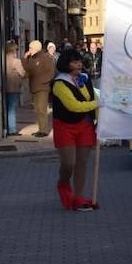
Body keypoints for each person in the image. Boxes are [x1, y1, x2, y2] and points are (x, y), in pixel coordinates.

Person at [52, 48, 99, 212]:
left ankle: (78, 197)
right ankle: (63, 183)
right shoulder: (59, 84)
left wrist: (101, 118)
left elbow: (93, 98)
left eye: (79, 61)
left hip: (85, 125)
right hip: (65, 125)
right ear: (66, 64)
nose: (78, 64)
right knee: (69, 163)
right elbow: (73, 106)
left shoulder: (84, 79)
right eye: (74, 61)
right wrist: (97, 104)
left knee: (81, 163)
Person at [22, 39, 56, 137]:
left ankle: (44, 131)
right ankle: (41, 128)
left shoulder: (45, 58)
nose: (30, 50)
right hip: (34, 87)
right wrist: (25, 58)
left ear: (36, 48)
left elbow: (51, 72)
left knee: (42, 109)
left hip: (42, 88)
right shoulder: (32, 58)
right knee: (37, 109)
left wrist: (43, 81)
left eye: (31, 48)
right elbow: (27, 68)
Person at [4, 42, 26, 137]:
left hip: (4, 87)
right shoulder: (16, 61)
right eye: (16, 49)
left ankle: (6, 128)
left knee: (7, 109)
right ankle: (12, 129)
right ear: (13, 50)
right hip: (13, 88)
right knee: (12, 109)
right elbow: (22, 73)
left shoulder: (3, 60)